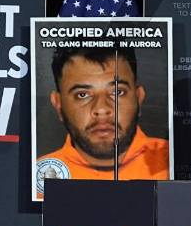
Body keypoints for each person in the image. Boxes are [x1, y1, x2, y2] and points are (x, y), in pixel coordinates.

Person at [35, 45, 169, 195]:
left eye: (117, 92)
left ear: (139, 98)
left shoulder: (173, 162)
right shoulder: (38, 179)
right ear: (58, 104)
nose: (101, 109)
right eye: (82, 95)